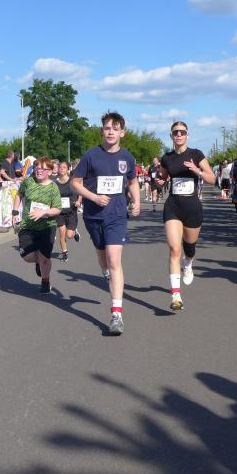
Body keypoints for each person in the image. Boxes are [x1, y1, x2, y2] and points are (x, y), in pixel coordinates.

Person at [71, 112, 140, 335]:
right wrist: (93, 197)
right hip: (93, 215)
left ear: (122, 133)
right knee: (103, 257)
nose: (110, 132)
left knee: (114, 259)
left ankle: (116, 314)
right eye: (107, 128)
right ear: (102, 131)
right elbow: (75, 183)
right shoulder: (91, 156)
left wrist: (137, 202)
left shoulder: (127, 157)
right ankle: (105, 270)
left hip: (117, 215)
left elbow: (132, 181)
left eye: (115, 128)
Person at [154, 121, 215, 311]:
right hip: (173, 206)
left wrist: (197, 171)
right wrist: (160, 181)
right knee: (174, 249)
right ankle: (176, 296)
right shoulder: (167, 158)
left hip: (192, 208)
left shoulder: (196, 154)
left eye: (182, 132)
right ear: (171, 136)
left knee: (189, 247)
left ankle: (188, 263)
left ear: (187, 134)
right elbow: (163, 177)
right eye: (175, 132)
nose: (179, 135)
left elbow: (212, 179)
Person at [13, 158, 62, 295]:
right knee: (26, 256)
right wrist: (15, 212)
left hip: (47, 226)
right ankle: (40, 261)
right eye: (37, 168)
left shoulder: (53, 188)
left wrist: (43, 212)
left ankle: (45, 281)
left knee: (44, 258)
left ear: (50, 172)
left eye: (43, 169)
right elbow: (19, 195)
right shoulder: (28, 182)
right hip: (28, 225)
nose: (39, 170)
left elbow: (57, 209)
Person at [54, 160, 81, 261]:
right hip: (60, 212)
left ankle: (75, 232)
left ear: (68, 169)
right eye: (60, 167)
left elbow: (80, 191)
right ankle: (65, 253)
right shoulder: (55, 182)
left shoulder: (72, 181)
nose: (61, 169)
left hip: (71, 211)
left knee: (69, 235)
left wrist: (79, 201)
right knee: (62, 233)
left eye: (64, 167)